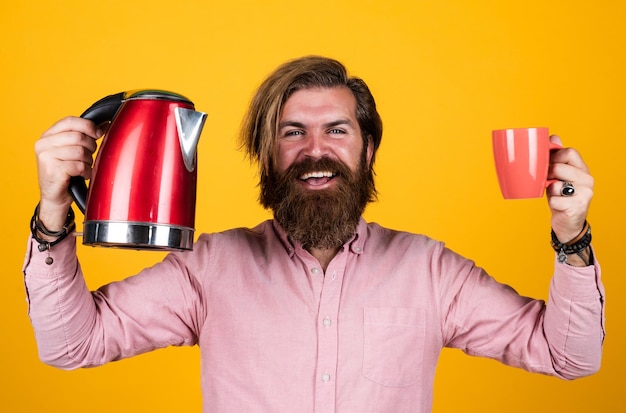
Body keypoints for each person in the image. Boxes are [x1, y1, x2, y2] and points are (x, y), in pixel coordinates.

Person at [23, 56, 605, 412]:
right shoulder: (210, 268)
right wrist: (54, 209)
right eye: (292, 132)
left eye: (336, 130)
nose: (315, 151)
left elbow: (567, 356)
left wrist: (571, 234)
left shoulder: (429, 271)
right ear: (266, 155)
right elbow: (73, 345)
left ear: (368, 148)